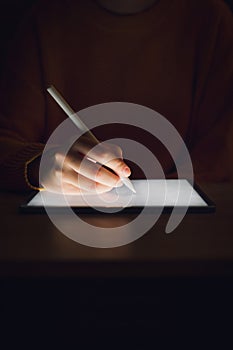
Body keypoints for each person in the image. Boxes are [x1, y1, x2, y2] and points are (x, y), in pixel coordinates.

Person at [0, 0, 232, 193]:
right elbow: (6, 144)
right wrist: (40, 165)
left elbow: (221, 160)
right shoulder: (46, 19)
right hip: (57, 229)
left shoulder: (211, 20)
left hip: (190, 231)